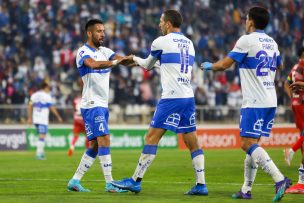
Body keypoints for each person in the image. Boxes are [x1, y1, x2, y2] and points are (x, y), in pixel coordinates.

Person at [112, 9, 208, 196]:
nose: (159, 25)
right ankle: (201, 184)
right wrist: (144, 62)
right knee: (192, 142)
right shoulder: (189, 44)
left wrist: (134, 59)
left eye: (161, 22)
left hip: (171, 98)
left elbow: (147, 65)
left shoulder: (160, 41)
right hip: (188, 97)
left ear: (169, 24)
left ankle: (135, 181)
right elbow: (170, 67)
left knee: (151, 138)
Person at [200, 6, 290, 201]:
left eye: (246, 18)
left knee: (246, 144)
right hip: (270, 99)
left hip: (255, 101)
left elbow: (224, 65)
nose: (245, 21)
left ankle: (279, 179)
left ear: (250, 21)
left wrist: (209, 66)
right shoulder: (272, 43)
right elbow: (280, 65)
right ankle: (246, 189)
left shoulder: (246, 40)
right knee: (254, 145)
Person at [66, 19, 132, 193]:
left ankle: (74, 181)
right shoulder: (83, 51)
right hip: (92, 103)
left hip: (102, 104)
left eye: (103, 31)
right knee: (105, 139)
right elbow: (93, 65)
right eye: (99, 31)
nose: (103, 34)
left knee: (95, 145)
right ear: (89, 33)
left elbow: (122, 60)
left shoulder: (105, 51)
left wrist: (144, 61)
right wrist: (115, 63)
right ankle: (110, 183)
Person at [284, 47, 304, 194]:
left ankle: (293, 150)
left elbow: (286, 83)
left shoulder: (295, 68)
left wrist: (292, 97)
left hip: (297, 104)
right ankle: (291, 150)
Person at [27, 80, 63, 160]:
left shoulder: (34, 95)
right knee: (42, 136)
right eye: (48, 88)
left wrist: (29, 118)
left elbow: (29, 106)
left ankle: (41, 152)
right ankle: (38, 154)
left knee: (41, 136)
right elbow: (51, 107)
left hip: (35, 119)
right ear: (46, 87)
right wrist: (58, 116)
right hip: (42, 119)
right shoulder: (47, 96)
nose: (49, 89)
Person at [67, 91, 89, 156]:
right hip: (84, 120)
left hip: (77, 119)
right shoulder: (86, 100)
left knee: (75, 135)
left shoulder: (75, 100)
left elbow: (74, 108)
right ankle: (87, 150)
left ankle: (71, 147)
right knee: (88, 136)